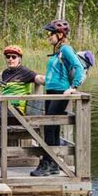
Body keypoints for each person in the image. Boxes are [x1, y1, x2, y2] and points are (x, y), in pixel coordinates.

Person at [32, 19, 85, 177]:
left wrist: (73, 88)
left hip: (61, 93)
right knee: (52, 129)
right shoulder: (57, 51)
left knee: (49, 127)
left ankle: (47, 163)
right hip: (51, 91)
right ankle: (53, 164)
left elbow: (78, 67)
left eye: (51, 33)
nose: (48, 36)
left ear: (60, 35)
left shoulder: (66, 49)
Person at [0, 45, 44, 115]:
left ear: (19, 59)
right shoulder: (5, 73)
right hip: (4, 107)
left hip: (16, 111)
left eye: (14, 57)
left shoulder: (24, 71)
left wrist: (58, 83)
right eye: (8, 57)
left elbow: (40, 79)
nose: (10, 59)